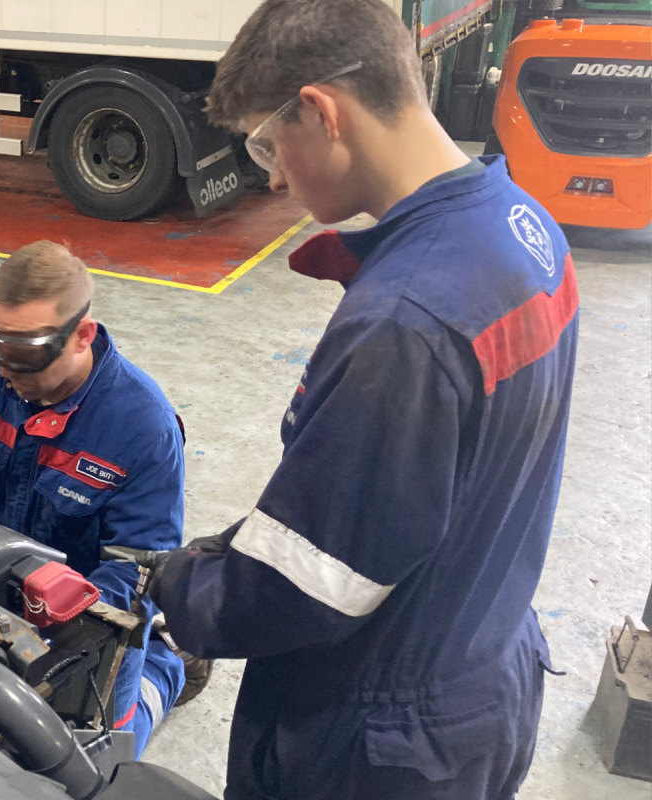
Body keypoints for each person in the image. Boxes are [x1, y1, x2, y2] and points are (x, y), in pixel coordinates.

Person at [146, 1, 579, 798]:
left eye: (268, 144)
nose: (271, 174)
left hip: (379, 740)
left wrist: (180, 583)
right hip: (483, 669)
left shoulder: (405, 325)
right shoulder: (522, 226)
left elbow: (306, 588)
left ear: (321, 111)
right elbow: (418, 491)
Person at [0, 240, 206, 757]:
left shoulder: (142, 427)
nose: (5, 370)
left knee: (93, 762)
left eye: (25, 355)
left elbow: (136, 570)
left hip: (85, 617)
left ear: (82, 335)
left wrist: (56, 620)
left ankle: (169, 666)